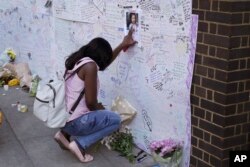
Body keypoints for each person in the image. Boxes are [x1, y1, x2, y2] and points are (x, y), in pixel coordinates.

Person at [54, 29, 136, 163]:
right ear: (101, 57)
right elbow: (91, 103)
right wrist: (101, 108)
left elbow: (103, 64)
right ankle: (80, 145)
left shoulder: (79, 61)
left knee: (82, 110)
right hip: (77, 123)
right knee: (115, 120)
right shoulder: (90, 67)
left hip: (65, 119)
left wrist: (122, 45)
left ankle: (63, 134)